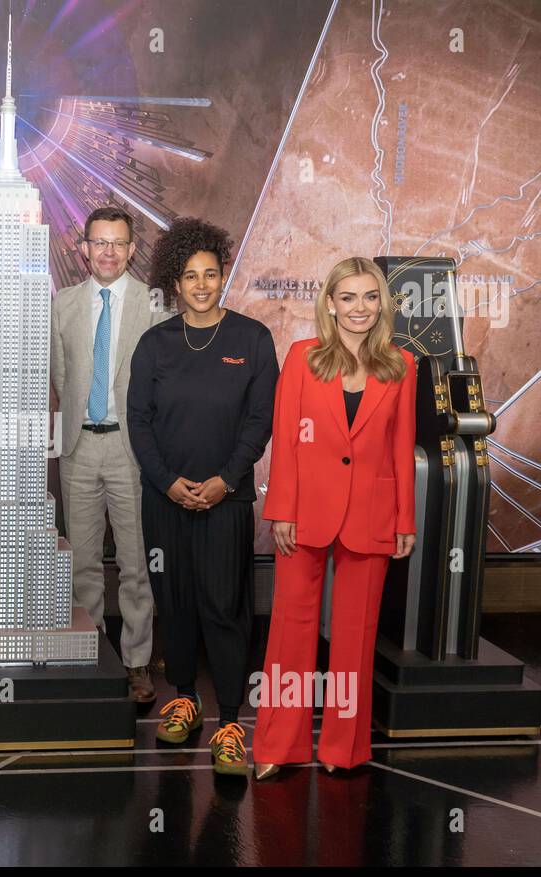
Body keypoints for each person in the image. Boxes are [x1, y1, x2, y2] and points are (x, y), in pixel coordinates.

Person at [253, 257, 417, 779]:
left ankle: (343, 749)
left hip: (372, 516)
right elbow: (285, 440)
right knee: (290, 633)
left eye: (370, 297)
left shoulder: (401, 366)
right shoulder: (303, 358)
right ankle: (281, 745)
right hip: (304, 516)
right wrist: (280, 508)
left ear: (381, 305)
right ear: (330, 303)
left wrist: (404, 521)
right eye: (348, 297)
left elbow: (401, 449)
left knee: (355, 637)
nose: (360, 308)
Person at [126, 217, 277, 775]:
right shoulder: (155, 343)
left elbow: (260, 422)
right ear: (176, 281)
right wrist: (168, 482)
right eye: (190, 276)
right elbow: (138, 422)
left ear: (222, 276)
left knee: (226, 607)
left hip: (227, 500)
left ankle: (232, 722)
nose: (201, 284)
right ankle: (184, 698)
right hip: (164, 499)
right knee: (177, 602)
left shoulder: (252, 339)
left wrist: (225, 480)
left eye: (210, 274)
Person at [50, 206, 159, 702]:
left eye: (118, 243)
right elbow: (60, 376)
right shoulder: (64, 304)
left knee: (136, 564)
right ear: (84, 249)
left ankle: (136, 663)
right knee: (82, 562)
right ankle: (92, 655)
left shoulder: (152, 305)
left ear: (132, 250)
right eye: (99, 242)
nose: (108, 251)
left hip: (131, 448)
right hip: (78, 447)